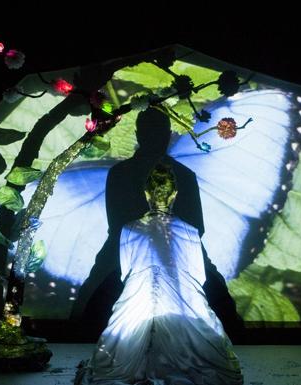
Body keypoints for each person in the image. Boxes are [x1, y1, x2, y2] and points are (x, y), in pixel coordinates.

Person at [72, 109, 243, 340]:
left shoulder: (119, 173)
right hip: (177, 244)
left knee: (92, 299)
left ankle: (80, 334)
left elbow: (116, 223)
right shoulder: (185, 174)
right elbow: (197, 226)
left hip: (124, 245)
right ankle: (235, 338)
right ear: (168, 134)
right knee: (217, 298)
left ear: (137, 134)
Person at [74, 157, 243, 385]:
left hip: (138, 303)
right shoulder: (190, 232)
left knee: (116, 350)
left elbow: (126, 273)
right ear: (174, 195)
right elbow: (198, 276)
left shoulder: (129, 229)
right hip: (182, 304)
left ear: (146, 194)